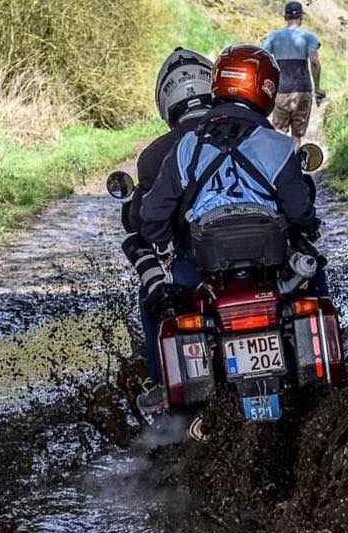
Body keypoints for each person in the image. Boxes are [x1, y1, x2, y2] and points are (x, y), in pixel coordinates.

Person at [140, 43, 328, 336]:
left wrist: (163, 242)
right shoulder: (278, 146)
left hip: (204, 262)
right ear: (265, 89)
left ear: (218, 83)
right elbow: (300, 209)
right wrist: (307, 226)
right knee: (313, 273)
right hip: (271, 258)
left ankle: (166, 377)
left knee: (172, 306)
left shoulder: (187, 146)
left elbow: (153, 214)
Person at [119, 48, 214, 413]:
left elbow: (147, 220)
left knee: (154, 297)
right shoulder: (249, 129)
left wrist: (152, 233)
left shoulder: (157, 154)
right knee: (308, 267)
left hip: (196, 267)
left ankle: (161, 383)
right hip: (264, 260)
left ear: (166, 99)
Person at [261, 0, 326, 149]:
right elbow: (314, 62)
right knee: (297, 136)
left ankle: (281, 167)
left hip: (281, 91)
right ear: (301, 17)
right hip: (302, 90)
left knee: (279, 133)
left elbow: (263, 56)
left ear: (285, 17)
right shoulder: (309, 37)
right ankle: (296, 166)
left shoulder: (273, 36)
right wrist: (317, 88)